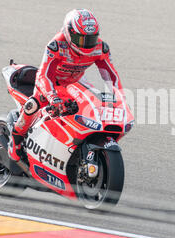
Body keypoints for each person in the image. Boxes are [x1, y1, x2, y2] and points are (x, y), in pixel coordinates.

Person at [8, 9, 122, 161]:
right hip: (51, 84)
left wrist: (117, 98)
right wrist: (52, 97)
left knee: (93, 107)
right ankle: (15, 140)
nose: (86, 44)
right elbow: (43, 75)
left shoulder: (100, 48)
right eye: (80, 39)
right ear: (69, 33)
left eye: (90, 39)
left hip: (75, 83)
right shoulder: (56, 45)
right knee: (32, 106)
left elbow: (111, 77)